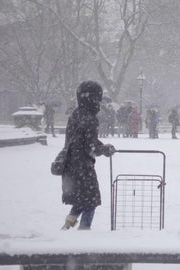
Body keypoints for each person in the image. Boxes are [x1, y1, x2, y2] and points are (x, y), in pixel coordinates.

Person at [61, 80, 116, 230]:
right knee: (91, 200)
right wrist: (104, 150)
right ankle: (84, 230)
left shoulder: (76, 114)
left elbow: (82, 139)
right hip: (83, 166)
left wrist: (101, 146)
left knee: (81, 199)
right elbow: (89, 145)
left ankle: (66, 227)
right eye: (98, 98)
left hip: (70, 164)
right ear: (93, 98)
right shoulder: (90, 118)